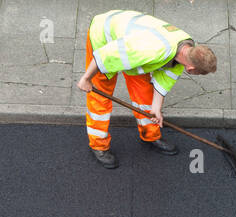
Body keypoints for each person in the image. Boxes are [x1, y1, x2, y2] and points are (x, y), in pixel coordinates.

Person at [76, 10, 218, 168]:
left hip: (132, 44)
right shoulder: (150, 50)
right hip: (105, 37)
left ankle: (150, 135)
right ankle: (98, 145)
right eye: (198, 73)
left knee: (144, 93)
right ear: (191, 69)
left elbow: (162, 83)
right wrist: (86, 79)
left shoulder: (186, 49)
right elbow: (104, 56)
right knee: (101, 96)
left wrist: (156, 109)